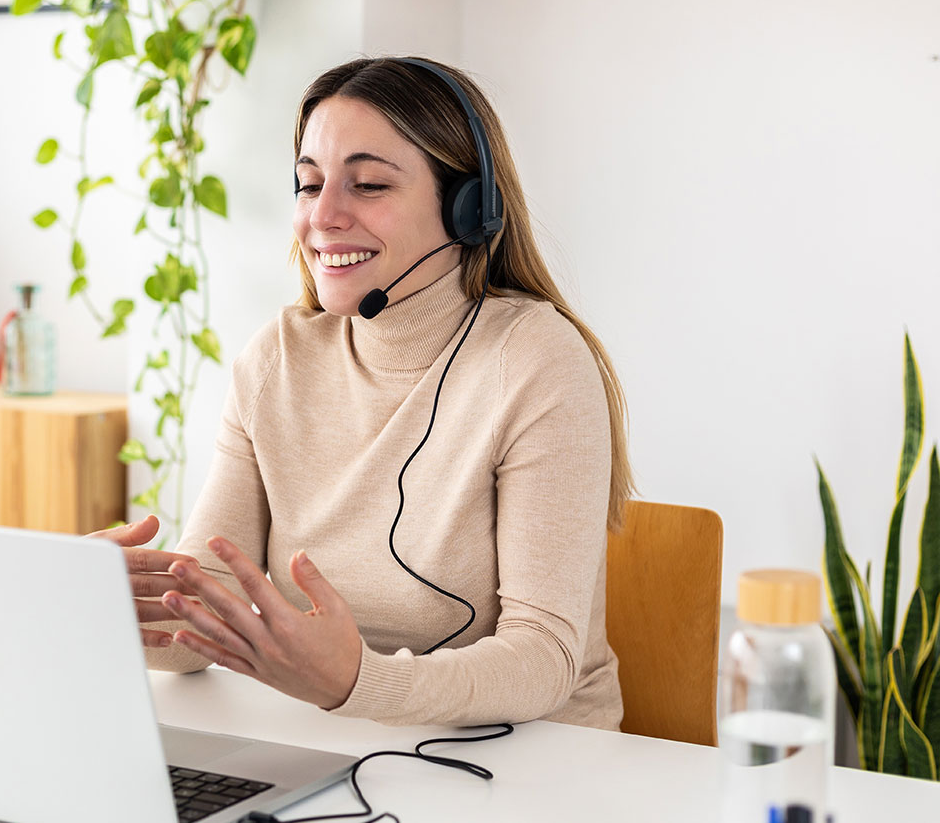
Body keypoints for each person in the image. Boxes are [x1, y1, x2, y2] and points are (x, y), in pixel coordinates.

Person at [95, 56, 635, 729]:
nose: (322, 215)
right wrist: (102, 599)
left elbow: (543, 658)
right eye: (308, 184)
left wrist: (358, 682)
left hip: (531, 758)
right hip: (342, 746)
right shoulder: (277, 360)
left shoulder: (534, 359)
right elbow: (202, 616)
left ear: (469, 207)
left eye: (369, 184)